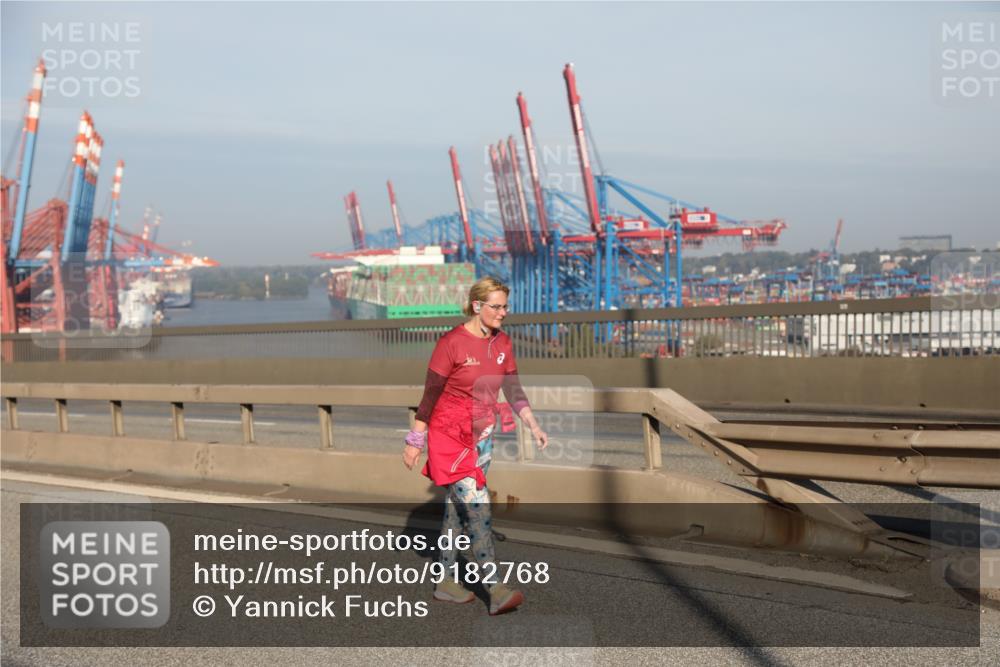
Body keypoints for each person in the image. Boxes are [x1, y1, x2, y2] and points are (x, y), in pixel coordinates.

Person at [402, 276, 548, 615]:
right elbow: (430, 395)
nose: (503, 313)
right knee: (479, 509)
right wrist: (415, 440)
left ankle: (444, 583)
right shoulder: (451, 343)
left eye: (505, 306)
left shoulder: (503, 344)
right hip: (450, 437)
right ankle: (495, 589)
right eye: (496, 306)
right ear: (477, 305)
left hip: (482, 439)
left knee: (456, 511)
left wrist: (534, 425)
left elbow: (513, 390)